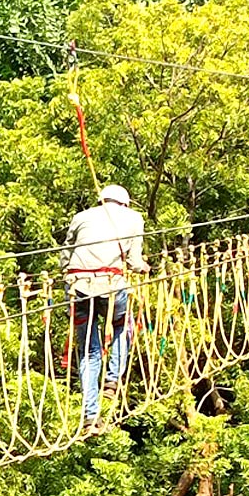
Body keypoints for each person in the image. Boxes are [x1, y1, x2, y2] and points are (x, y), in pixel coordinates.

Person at [60, 184, 149, 431]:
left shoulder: (81, 217)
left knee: (89, 351)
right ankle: (112, 379)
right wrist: (142, 267)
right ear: (125, 203)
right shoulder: (133, 218)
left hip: (77, 288)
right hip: (111, 287)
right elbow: (134, 260)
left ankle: (90, 417)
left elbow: (66, 256)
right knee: (123, 325)